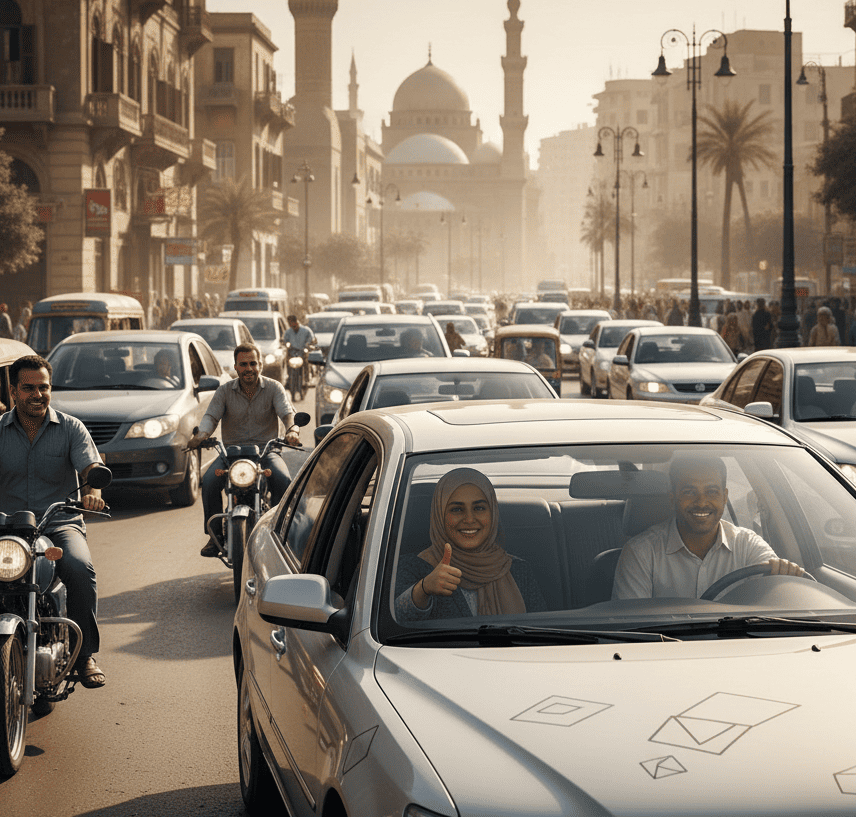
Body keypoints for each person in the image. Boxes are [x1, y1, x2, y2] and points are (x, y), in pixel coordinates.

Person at [0, 356, 107, 687]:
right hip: (7, 526)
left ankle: (85, 654)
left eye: (43, 387)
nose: (37, 394)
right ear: (14, 391)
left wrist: (93, 489)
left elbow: (91, 467)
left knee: (79, 567)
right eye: (29, 388)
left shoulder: (71, 428)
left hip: (58, 521)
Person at [612, 454, 804, 600]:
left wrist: (785, 578)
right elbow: (632, 632)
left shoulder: (748, 545)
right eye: (689, 492)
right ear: (672, 499)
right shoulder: (641, 553)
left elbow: (779, 597)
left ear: (724, 496)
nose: (701, 502)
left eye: (711, 491)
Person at [187, 343, 299, 557]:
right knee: (209, 481)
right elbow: (211, 416)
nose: (249, 368)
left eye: (253, 363)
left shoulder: (274, 388)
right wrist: (201, 435)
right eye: (243, 364)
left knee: (283, 479)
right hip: (230, 455)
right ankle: (214, 536)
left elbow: (287, 414)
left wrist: (292, 431)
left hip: (266, 452)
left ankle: (278, 530)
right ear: (236, 368)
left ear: (261, 365)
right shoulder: (224, 391)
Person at [394, 467, 547, 620]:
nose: (469, 519)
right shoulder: (412, 567)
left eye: (479, 508)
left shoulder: (518, 569)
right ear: (439, 516)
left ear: (493, 513)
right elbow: (393, 622)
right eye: (457, 509)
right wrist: (423, 589)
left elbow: (541, 630)